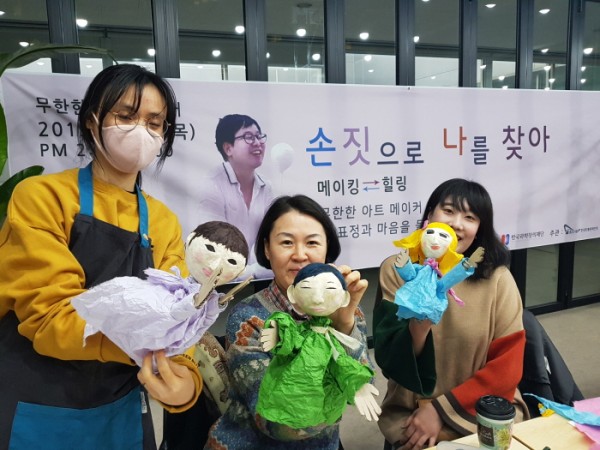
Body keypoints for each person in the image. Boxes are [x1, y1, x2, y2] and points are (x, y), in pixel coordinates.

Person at [0, 64, 202, 450]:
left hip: (120, 407)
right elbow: (50, 317)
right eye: (125, 116)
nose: (140, 130)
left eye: (154, 123)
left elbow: (177, 314)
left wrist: (184, 376)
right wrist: (147, 343)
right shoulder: (42, 197)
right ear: (93, 120)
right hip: (38, 400)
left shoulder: (163, 220)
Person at [205, 194, 374, 450]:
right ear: (267, 249)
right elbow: (274, 422)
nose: (300, 255)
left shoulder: (346, 307)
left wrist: (343, 327)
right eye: (286, 242)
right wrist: (340, 391)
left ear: (327, 248)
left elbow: (365, 385)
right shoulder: (248, 318)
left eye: (312, 242)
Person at [372, 178, 530, 450]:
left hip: (482, 412)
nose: (457, 224)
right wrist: (418, 328)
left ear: (479, 230)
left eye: (470, 217)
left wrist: (442, 410)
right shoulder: (398, 270)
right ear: (429, 217)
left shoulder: (498, 279)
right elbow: (390, 357)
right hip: (412, 416)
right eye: (448, 210)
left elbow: (508, 364)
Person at [196, 114, 275, 279]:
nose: (257, 142)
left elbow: (270, 236)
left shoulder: (266, 186)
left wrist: (260, 268)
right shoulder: (211, 184)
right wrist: (254, 271)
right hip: (220, 279)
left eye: (259, 136)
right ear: (228, 148)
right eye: (248, 137)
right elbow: (213, 247)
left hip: (260, 277)